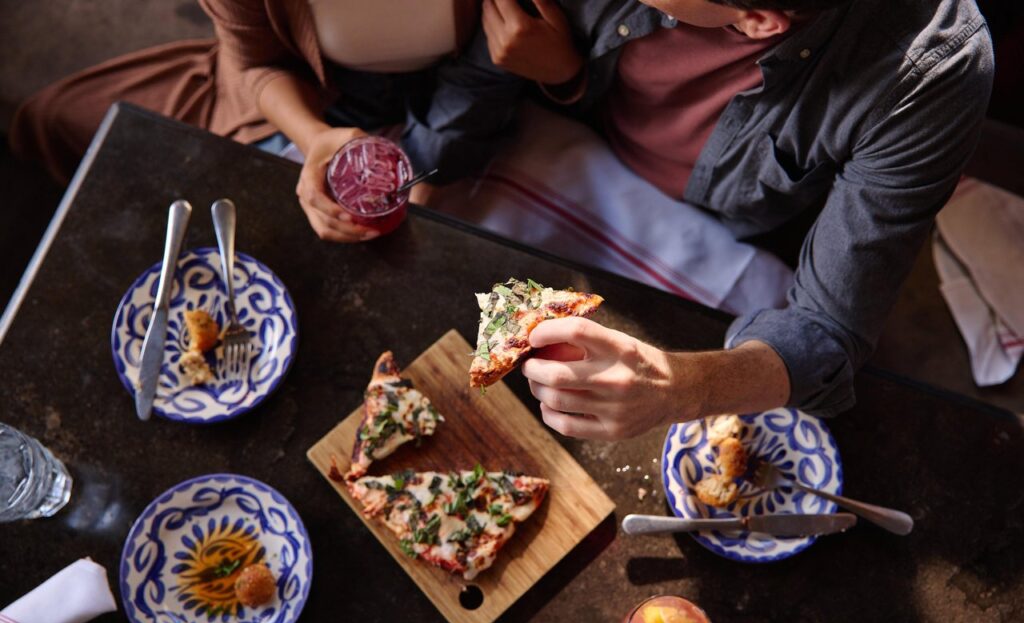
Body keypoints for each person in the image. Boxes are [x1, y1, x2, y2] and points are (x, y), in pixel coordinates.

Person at [470, 0, 993, 440]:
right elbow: (474, 64)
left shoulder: (933, 69)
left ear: (758, 21)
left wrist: (676, 387)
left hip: (728, 234)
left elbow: (827, 330)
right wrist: (566, 78)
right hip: (564, 138)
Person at [9, 0, 523, 243]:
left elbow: (501, 65)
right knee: (53, 119)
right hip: (314, 89)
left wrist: (432, 155)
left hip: (472, 94)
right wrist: (315, 136)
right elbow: (255, 62)